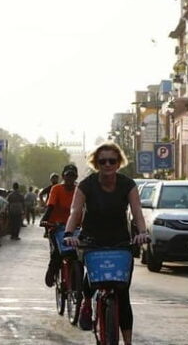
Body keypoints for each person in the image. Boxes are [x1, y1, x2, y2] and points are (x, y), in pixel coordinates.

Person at [63, 142, 149, 344]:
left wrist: (142, 233)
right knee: (93, 279)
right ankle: (86, 302)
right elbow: (75, 212)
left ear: (119, 163)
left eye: (112, 161)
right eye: (103, 161)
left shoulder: (128, 184)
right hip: (92, 239)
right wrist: (69, 233)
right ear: (96, 163)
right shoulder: (86, 185)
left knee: (122, 292)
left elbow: (137, 211)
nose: (107, 165)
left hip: (120, 240)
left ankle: (127, 342)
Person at [40, 164, 80, 287]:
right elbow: (50, 206)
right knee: (57, 253)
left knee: (79, 254)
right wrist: (45, 220)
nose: (70, 179)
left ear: (76, 177)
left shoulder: (79, 190)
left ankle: (77, 280)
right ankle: (52, 272)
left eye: (73, 176)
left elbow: (85, 207)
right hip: (57, 227)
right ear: (63, 176)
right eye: (68, 176)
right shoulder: (56, 189)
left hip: (75, 228)